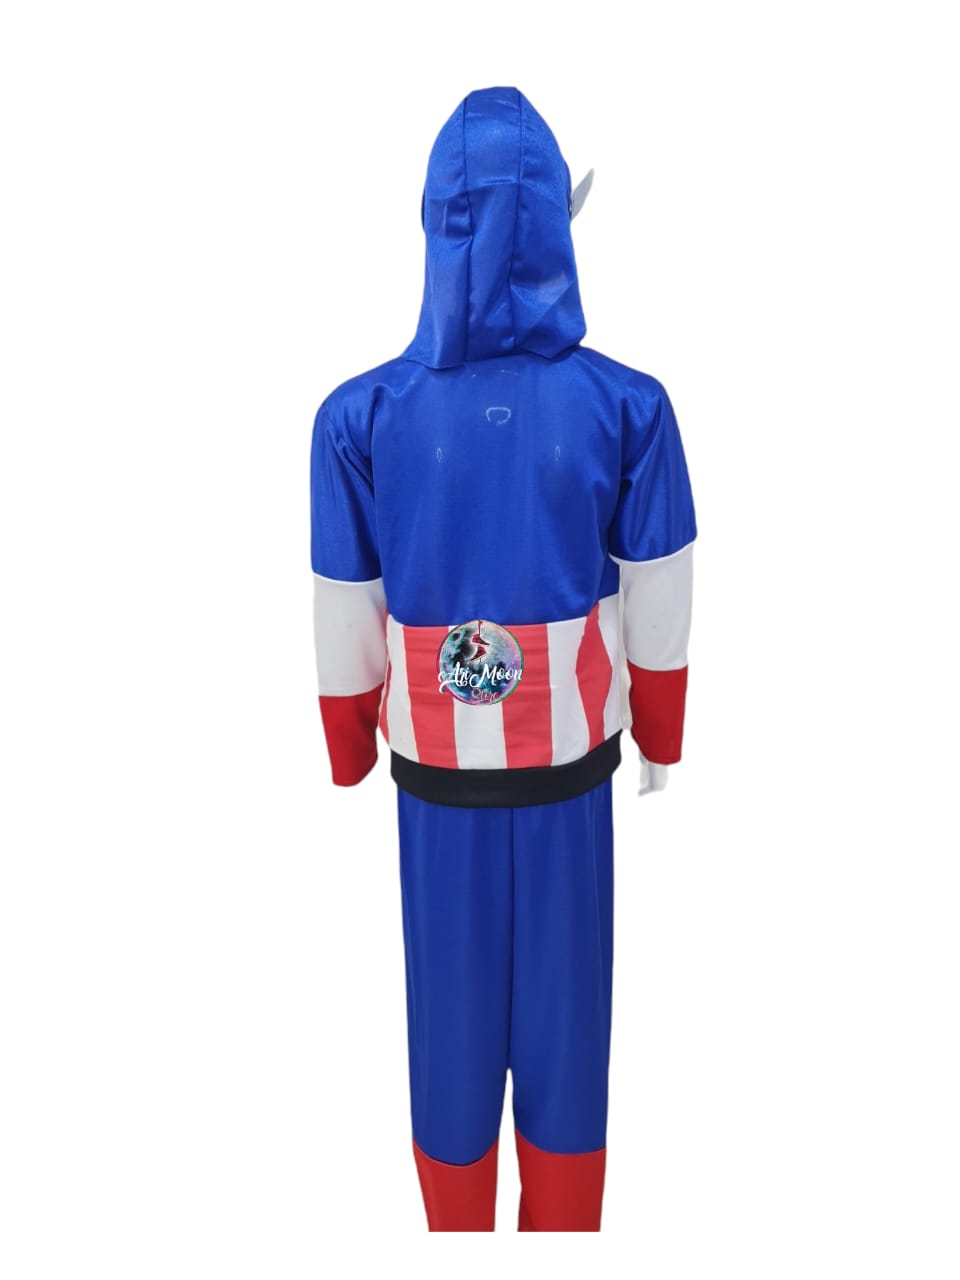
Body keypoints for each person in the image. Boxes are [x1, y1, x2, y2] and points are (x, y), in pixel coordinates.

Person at [310, 86, 697, 1231]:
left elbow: (344, 604)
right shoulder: (629, 407)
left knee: (450, 1036)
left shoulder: (358, 417)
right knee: (569, 1040)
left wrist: (347, 746)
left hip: (436, 792)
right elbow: (663, 581)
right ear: (557, 227)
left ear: (434, 223)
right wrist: (662, 736)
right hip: (573, 784)